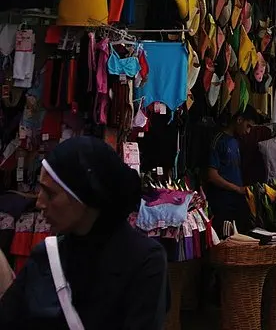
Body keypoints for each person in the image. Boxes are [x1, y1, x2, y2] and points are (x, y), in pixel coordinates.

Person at [0, 136, 168, 329]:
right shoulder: (46, 256)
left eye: (51, 193)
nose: (39, 203)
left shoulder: (144, 261)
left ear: (85, 195)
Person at [206, 106, 261, 235]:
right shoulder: (219, 141)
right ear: (239, 120)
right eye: (248, 126)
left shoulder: (236, 142)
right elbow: (212, 175)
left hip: (237, 201)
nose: (248, 131)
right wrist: (237, 188)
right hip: (222, 201)